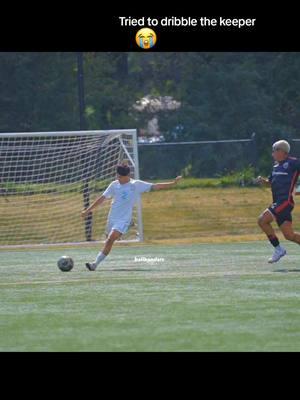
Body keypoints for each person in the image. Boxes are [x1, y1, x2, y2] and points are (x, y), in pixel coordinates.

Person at [81, 163, 182, 270]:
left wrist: (173, 183)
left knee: (110, 239)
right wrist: (88, 211)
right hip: (112, 217)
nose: (118, 178)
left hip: (123, 219)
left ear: (127, 175)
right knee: (109, 239)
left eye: (120, 177)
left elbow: (155, 186)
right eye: (117, 176)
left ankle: (94, 264)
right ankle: (128, 227)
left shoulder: (136, 185)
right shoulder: (114, 185)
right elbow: (102, 198)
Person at [256, 140, 300, 263]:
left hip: (285, 202)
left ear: (282, 151)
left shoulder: (293, 162)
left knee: (262, 220)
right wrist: (264, 182)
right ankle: (279, 249)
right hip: (279, 202)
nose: (272, 154)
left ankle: (278, 249)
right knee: (289, 235)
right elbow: (271, 183)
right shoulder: (276, 166)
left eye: (274, 150)